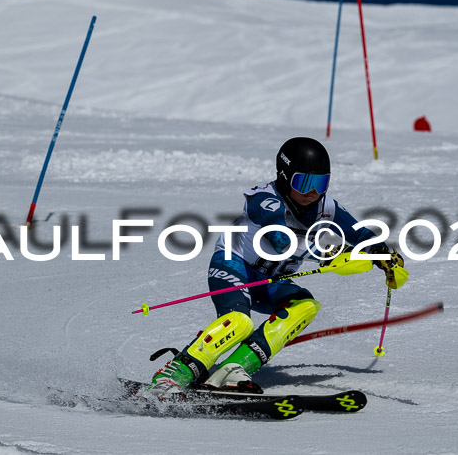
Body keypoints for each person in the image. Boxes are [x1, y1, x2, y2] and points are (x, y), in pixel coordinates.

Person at [146, 137, 405, 397]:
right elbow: (281, 241)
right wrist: (329, 255)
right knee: (238, 322)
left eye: (320, 183)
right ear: (284, 176)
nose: (312, 192)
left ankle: (233, 368)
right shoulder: (264, 200)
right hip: (235, 266)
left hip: (272, 280)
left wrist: (384, 255)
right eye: (303, 182)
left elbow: (359, 234)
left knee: (305, 306)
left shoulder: (326, 207)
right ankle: (175, 373)